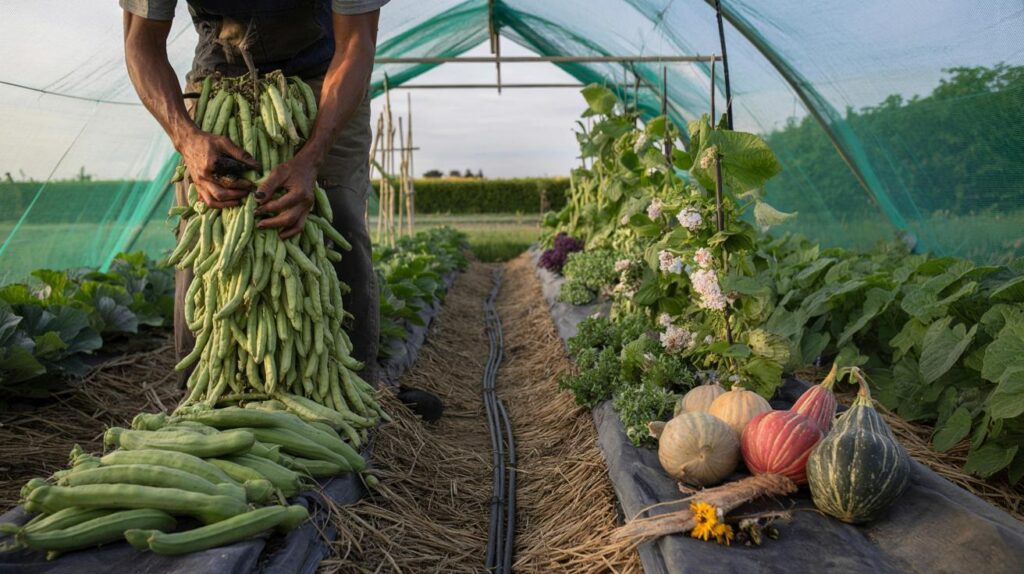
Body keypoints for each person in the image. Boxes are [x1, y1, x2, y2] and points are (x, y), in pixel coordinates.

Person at [121, 0, 389, 386]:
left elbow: (356, 43)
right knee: (206, 232)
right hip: (218, 79)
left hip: (322, 75)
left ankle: (350, 387)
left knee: (340, 214)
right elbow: (140, 42)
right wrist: (187, 137)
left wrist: (312, 157)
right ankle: (203, 390)